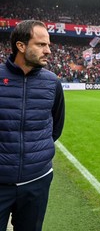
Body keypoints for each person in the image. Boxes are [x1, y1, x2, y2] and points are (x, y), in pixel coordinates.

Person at [0, 20, 65, 231]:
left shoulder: (52, 82)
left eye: (48, 45)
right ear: (21, 46)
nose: (48, 51)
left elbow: (55, 127)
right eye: (41, 45)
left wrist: (35, 153)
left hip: (37, 181)